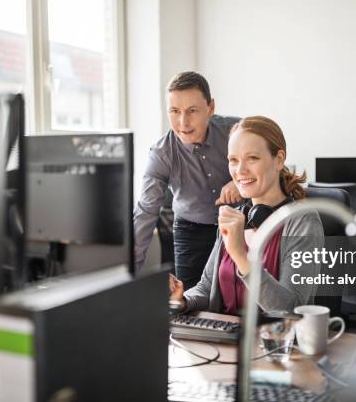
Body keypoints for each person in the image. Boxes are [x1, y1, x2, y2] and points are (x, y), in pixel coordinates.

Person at [169, 116, 324, 314]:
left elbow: (290, 309)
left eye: (252, 158)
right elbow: (207, 288)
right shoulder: (236, 218)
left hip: (275, 342)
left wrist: (240, 256)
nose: (240, 170)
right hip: (225, 340)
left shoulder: (303, 221)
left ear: (279, 160)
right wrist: (181, 300)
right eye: (233, 160)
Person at [134, 72, 241, 289]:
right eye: (174, 111)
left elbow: (272, 166)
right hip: (191, 230)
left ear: (210, 108)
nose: (183, 122)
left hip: (241, 224)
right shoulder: (161, 153)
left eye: (192, 111)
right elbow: (146, 209)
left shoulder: (237, 132)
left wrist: (239, 181)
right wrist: (129, 273)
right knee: (190, 301)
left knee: (241, 297)